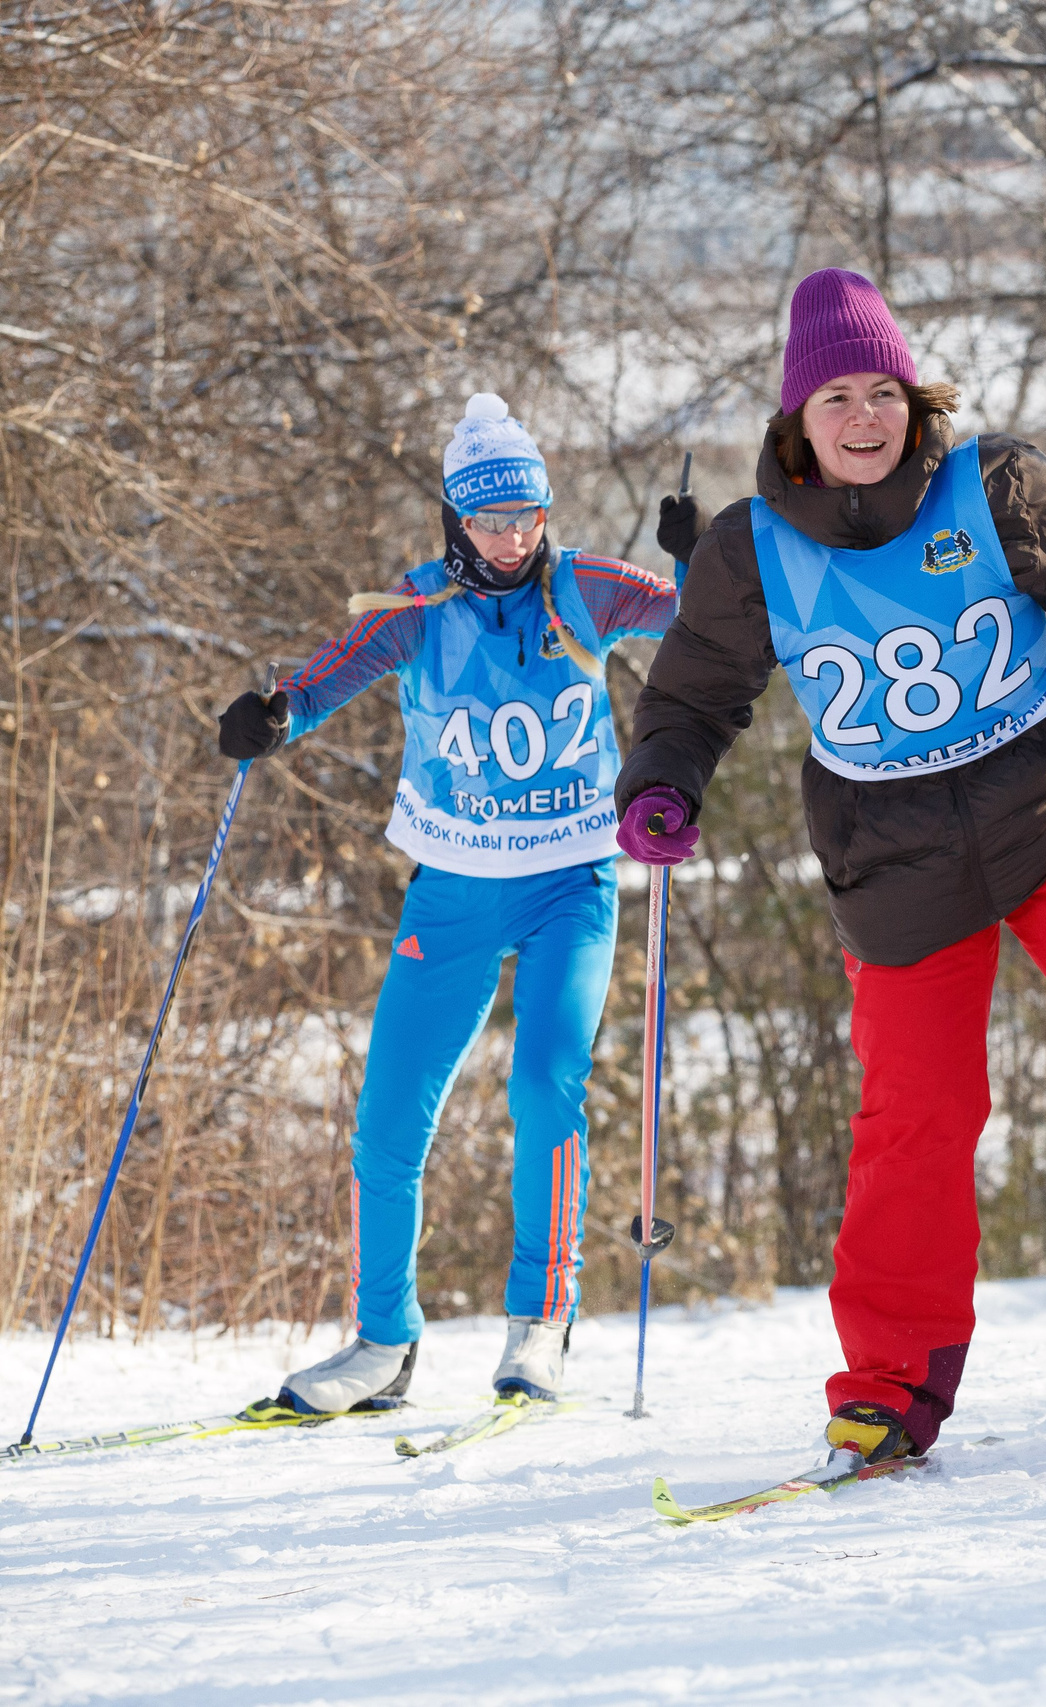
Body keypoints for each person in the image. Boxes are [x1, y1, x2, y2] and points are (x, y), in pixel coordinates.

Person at [616, 268, 1046, 1468]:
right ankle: (888, 1390)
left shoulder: (991, 487)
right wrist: (660, 789)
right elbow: (690, 701)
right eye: (836, 398)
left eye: (882, 392)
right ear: (797, 420)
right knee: (917, 1121)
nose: (863, 417)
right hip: (891, 856)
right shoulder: (749, 551)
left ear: (913, 400)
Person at [218, 394, 688, 1414]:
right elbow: (324, 680)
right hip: (455, 888)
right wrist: (274, 716)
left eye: (526, 515)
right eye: (489, 519)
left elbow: (707, 618)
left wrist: (701, 559)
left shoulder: (584, 587)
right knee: (388, 1119)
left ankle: (540, 1321)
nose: (512, 538)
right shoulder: (417, 608)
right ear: (454, 520)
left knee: (545, 1087)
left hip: (570, 882)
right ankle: (381, 1344)